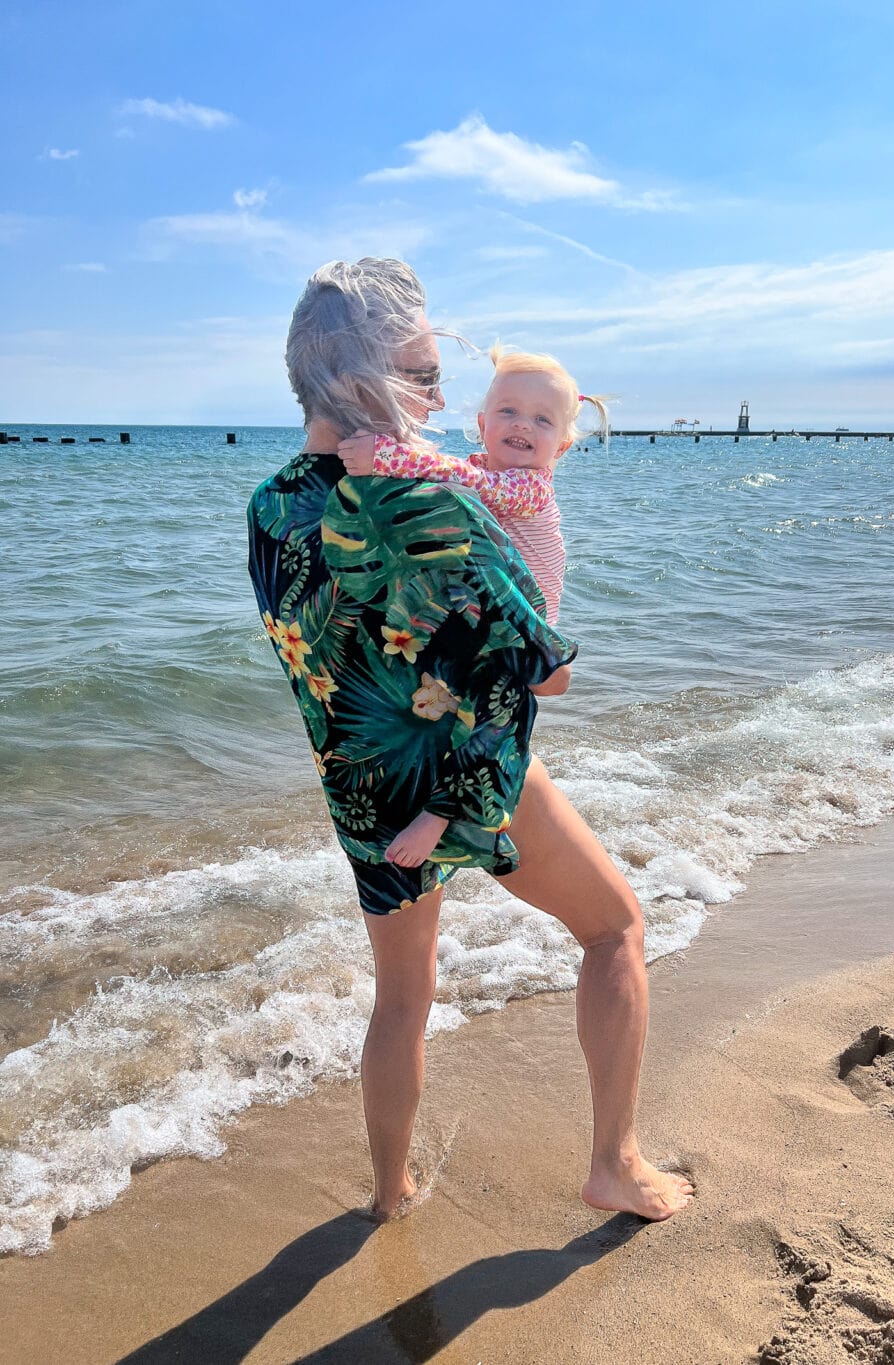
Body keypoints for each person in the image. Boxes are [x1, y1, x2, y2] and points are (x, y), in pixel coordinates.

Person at [247, 257, 694, 1223]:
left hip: (363, 790)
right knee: (616, 926)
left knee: (401, 998)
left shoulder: (272, 504)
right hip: (477, 772)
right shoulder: (438, 503)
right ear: (358, 377)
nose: (442, 395)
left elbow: (323, 648)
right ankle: (613, 1162)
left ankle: (386, 1193)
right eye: (418, 372)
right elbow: (547, 668)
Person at [336, 346, 610, 628]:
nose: (522, 424)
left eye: (542, 419)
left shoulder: (533, 488)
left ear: (561, 447)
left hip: (530, 636)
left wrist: (387, 456)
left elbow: (469, 481)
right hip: (494, 615)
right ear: (483, 425)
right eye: (508, 410)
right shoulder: (477, 469)